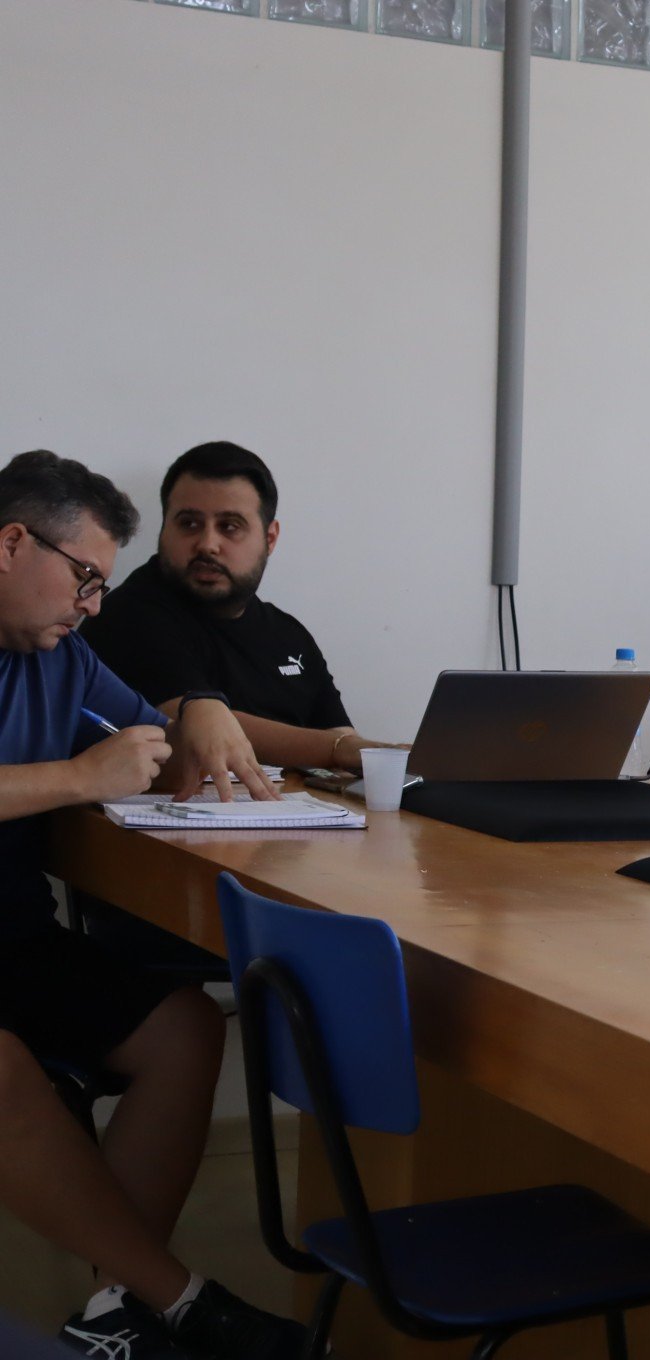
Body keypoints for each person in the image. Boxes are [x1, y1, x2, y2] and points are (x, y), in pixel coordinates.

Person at [0, 450, 304, 1360]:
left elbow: (156, 748)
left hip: (14, 940)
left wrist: (202, 712)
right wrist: (72, 777)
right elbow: (86, 772)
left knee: (184, 1027)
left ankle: (113, 1313)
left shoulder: (61, 659)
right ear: (13, 543)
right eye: (84, 577)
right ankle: (182, 1300)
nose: (91, 605)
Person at [81, 441, 399, 773]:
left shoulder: (289, 634)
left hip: (303, 815)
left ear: (269, 538)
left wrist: (380, 759)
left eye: (229, 526)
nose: (207, 544)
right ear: (164, 529)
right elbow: (201, 726)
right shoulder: (127, 614)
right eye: (189, 524)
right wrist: (339, 750)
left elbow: (341, 737)